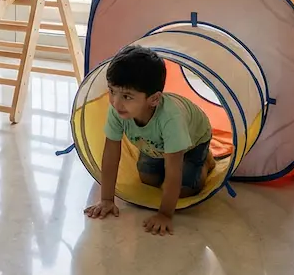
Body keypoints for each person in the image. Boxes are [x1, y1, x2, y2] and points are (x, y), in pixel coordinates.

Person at [84, 45, 218, 236]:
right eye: (112, 91)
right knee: (148, 180)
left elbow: (174, 171)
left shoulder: (171, 120)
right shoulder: (118, 110)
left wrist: (164, 214)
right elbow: (111, 155)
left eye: (127, 96)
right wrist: (106, 199)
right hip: (154, 144)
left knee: (184, 190)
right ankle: (164, 154)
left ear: (154, 99)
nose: (116, 102)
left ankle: (205, 161)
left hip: (193, 142)